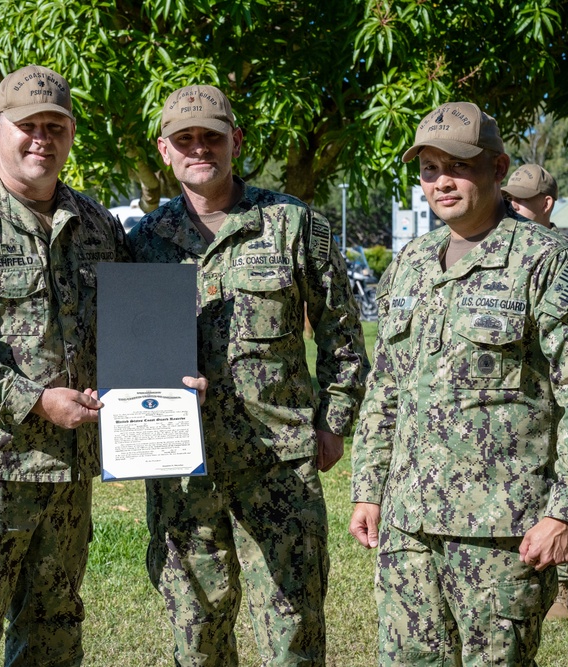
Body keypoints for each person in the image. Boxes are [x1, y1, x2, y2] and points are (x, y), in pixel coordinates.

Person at [349, 101, 568, 665]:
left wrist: (566, 513)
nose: (441, 182)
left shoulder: (551, 263)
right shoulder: (411, 263)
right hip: (407, 528)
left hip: (502, 534)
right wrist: (368, 486)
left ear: (498, 170)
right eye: (429, 169)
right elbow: (386, 387)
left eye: (458, 165)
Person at [0, 65, 148, 666]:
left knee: (54, 635)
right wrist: (34, 400)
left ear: (70, 135)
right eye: (27, 126)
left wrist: (162, 380)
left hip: (66, 478)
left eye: (55, 126)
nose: (41, 138)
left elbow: (131, 326)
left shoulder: (96, 225)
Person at [129, 84, 369, 666]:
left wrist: (333, 423)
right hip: (182, 469)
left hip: (278, 464)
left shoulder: (293, 225)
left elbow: (343, 332)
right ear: (164, 150)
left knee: (292, 630)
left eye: (211, 136)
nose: (199, 148)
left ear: (235, 141)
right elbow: (127, 347)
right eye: (184, 139)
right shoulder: (144, 242)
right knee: (197, 629)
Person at [502, 163, 568, 620]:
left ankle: (563, 585)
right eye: (510, 198)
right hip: (522, 401)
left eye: (522, 200)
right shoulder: (502, 252)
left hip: (564, 397)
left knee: (563, 485)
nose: (513, 206)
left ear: (546, 204)